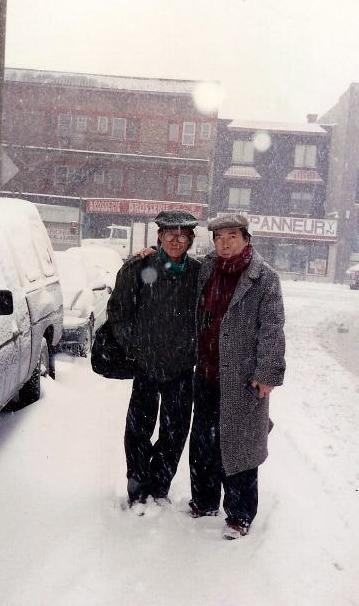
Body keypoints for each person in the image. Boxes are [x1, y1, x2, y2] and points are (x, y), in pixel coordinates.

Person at [189, 213, 285, 539]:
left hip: (242, 380)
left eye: (231, 236)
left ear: (246, 238)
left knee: (239, 447)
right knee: (204, 444)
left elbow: (272, 329)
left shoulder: (264, 278)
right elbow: (174, 262)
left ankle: (240, 515)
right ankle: (204, 501)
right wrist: (147, 254)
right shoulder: (207, 269)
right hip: (206, 374)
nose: (224, 243)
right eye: (218, 237)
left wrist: (267, 374)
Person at [107, 209, 201, 514]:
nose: (175, 241)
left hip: (181, 367)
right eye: (169, 235)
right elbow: (118, 312)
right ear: (159, 236)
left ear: (191, 240)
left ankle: (160, 485)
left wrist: (191, 349)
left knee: (175, 431)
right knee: (138, 429)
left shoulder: (199, 273)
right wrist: (137, 348)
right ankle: (136, 487)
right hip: (146, 365)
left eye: (182, 237)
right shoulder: (139, 267)